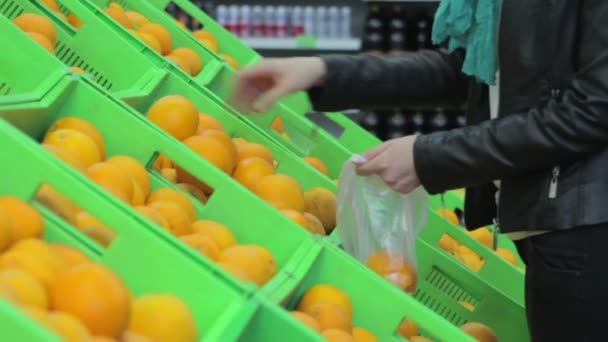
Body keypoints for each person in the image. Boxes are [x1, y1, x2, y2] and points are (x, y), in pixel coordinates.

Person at [232, 1, 608, 341]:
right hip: (551, 222)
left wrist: (428, 158)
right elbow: (466, 70)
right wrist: (323, 71)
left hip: (586, 229)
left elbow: (592, 113)